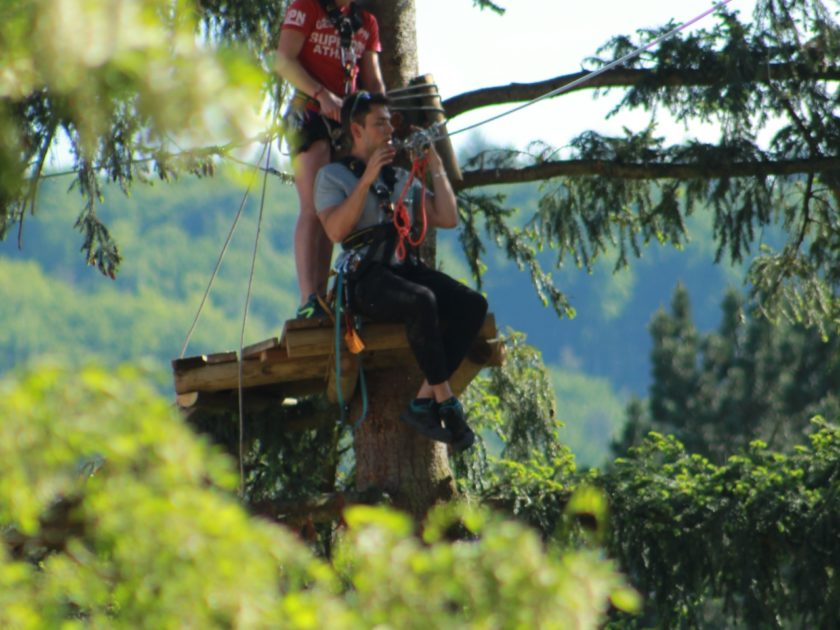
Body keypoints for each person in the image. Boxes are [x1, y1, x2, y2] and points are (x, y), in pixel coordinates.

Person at [314, 91, 488, 451]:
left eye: (391, 122)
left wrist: (434, 162)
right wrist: (366, 181)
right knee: (422, 301)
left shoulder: (398, 177)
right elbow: (335, 231)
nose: (389, 129)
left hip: (402, 268)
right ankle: (446, 401)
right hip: (364, 278)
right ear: (357, 130)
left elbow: (447, 217)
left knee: (472, 305)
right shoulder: (332, 177)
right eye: (380, 123)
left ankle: (426, 399)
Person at [276, 0, 386, 318]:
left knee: (333, 211)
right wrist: (321, 94)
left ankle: (322, 298)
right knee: (312, 206)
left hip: (345, 122)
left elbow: (373, 80)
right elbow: (283, 60)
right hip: (308, 114)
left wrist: (383, 117)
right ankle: (308, 298)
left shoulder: (365, 22)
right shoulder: (307, 6)